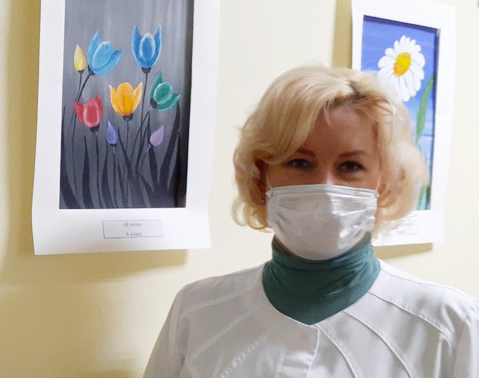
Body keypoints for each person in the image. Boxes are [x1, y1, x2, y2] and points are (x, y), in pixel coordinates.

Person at [144, 65, 479, 377]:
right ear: (261, 178)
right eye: (299, 163)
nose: (325, 187)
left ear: (385, 182)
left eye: (350, 166)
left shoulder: (450, 325)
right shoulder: (198, 311)